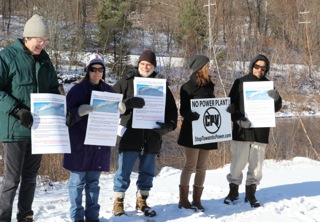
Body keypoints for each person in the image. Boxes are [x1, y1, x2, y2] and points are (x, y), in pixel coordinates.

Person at [0, 14, 60, 222]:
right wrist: (17, 110)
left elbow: (53, 88)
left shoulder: (44, 59)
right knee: (11, 179)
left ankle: (25, 215)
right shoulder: (7, 56)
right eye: (39, 40)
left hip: (39, 129)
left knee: (30, 177)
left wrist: (61, 112)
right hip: (14, 129)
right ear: (27, 37)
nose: (43, 44)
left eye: (45, 40)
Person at [112, 49, 178, 217]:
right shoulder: (126, 82)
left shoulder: (161, 86)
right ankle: (118, 201)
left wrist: (168, 126)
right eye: (142, 64)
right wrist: (127, 104)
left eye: (149, 64)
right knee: (123, 170)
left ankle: (142, 200)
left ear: (153, 67)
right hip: (130, 134)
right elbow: (109, 103)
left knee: (148, 171)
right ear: (138, 64)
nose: (145, 67)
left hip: (152, 136)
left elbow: (171, 111)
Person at [63, 54, 126, 222]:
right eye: (93, 69)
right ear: (87, 70)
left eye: (100, 69)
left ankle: (92, 217)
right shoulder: (76, 90)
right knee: (76, 184)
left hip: (98, 144)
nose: (97, 73)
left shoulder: (109, 91)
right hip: (79, 144)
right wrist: (78, 112)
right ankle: (77, 217)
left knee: (93, 184)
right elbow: (65, 117)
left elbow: (112, 119)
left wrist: (120, 109)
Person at [224, 54, 282, 208]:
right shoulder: (240, 82)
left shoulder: (268, 85)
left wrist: (277, 99)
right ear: (252, 66)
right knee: (237, 164)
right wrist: (237, 119)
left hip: (261, 131)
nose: (260, 70)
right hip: (242, 131)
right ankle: (233, 192)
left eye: (263, 68)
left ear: (266, 69)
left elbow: (275, 108)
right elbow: (230, 106)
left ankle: (250, 194)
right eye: (257, 66)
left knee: (256, 166)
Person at [177, 55, 218, 212]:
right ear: (200, 67)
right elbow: (183, 109)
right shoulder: (187, 87)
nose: (210, 67)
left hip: (207, 131)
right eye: (207, 65)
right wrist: (189, 115)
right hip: (192, 132)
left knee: (202, 167)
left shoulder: (209, 86)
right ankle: (183, 199)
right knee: (190, 166)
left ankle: (197, 200)